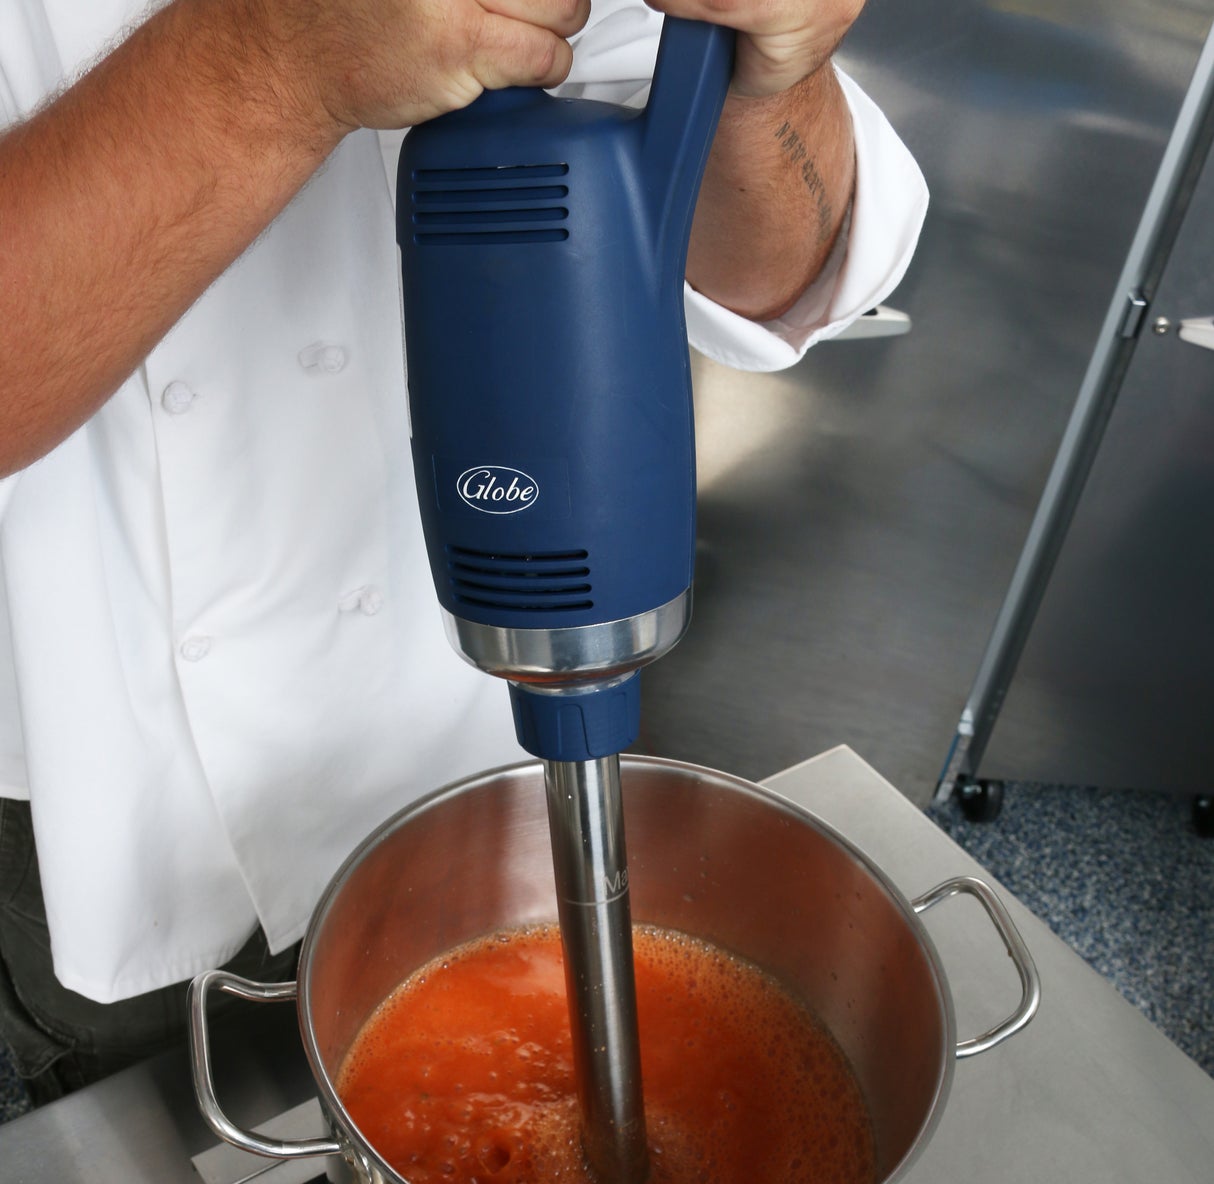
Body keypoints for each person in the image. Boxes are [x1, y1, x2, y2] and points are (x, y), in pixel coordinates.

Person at [0, 0, 927, 1104]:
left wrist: (770, 75)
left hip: (450, 733)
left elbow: (776, 266)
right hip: (94, 779)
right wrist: (276, 61)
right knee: (142, 1141)